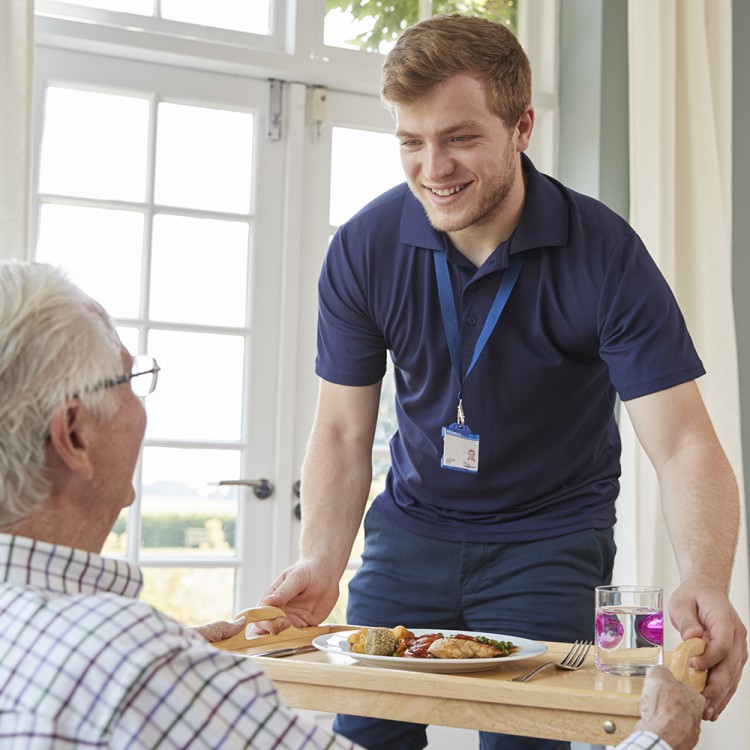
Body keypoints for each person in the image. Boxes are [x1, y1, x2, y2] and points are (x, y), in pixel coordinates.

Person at [256, 13, 747, 750]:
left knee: (526, 740)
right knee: (363, 735)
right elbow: (340, 429)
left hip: (549, 541)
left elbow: (682, 444)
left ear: (522, 126)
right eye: (411, 142)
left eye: (459, 138)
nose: (434, 167)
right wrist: (322, 559)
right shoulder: (364, 247)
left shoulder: (606, 253)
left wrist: (707, 578)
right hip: (409, 535)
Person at [0, 260, 359, 749]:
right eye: (127, 380)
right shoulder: (128, 663)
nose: (140, 403)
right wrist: (171, 673)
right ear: (75, 436)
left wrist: (180, 665)